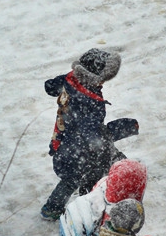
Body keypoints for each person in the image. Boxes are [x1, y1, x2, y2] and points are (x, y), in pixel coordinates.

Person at [41, 48, 139, 221]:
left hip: (65, 141)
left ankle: (56, 207)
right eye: (102, 79)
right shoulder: (89, 102)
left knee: (73, 178)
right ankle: (74, 207)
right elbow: (97, 134)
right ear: (93, 77)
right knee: (78, 177)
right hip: (80, 149)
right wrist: (125, 127)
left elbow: (50, 86)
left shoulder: (71, 80)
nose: (102, 83)